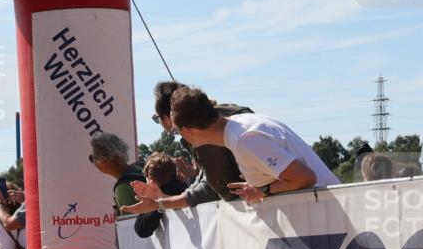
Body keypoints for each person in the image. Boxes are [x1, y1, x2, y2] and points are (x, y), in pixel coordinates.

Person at [169, 87, 339, 204]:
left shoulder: (244, 140)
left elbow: (305, 178)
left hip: (325, 215)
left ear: (188, 130)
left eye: (176, 131)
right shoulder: (241, 125)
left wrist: (261, 190)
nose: (178, 136)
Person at [123, 81, 252, 215]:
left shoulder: (202, 133)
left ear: (169, 118)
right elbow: (207, 182)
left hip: (252, 213)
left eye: (157, 118)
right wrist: (162, 199)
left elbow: (216, 188)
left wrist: (160, 202)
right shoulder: (225, 113)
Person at [133, 153, 188, 238]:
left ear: (151, 179)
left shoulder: (158, 199)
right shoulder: (185, 190)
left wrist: (154, 201)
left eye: (146, 178)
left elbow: (141, 229)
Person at [88, 132, 143, 213]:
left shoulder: (122, 187)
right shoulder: (141, 167)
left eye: (92, 158)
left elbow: (129, 224)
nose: (93, 162)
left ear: (103, 161)